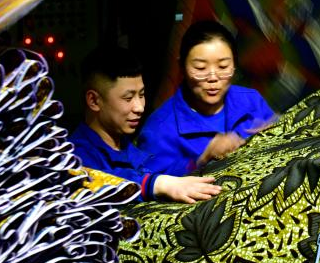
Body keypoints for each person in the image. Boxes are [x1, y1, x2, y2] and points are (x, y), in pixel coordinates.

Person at [68, 46, 222, 204]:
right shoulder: (73, 159)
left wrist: (201, 159)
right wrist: (157, 184)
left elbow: (161, 174)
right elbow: (103, 181)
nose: (139, 107)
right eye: (128, 98)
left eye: (141, 95)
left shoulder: (124, 145)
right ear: (94, 101)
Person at [137, 20, 275, 176]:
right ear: (182, 67)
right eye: (201, 68)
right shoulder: (159, 129)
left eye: (223, 66)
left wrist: (273, 132)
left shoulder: (251, 100)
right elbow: (146, 183)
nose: (213, 78)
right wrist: (201, 161)